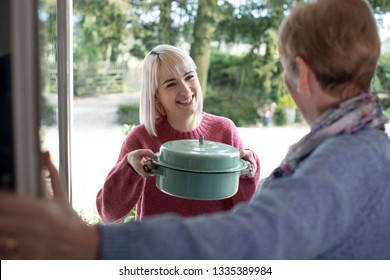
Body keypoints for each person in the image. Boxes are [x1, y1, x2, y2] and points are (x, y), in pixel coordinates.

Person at [0, 0, 389, 260]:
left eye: (285, 65)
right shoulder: (364, 147)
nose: (185, 90)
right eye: (171, 84)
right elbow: (111, 210)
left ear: (301, 74)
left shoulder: (341, 159)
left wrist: (86, 243)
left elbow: (257, 233)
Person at [96, 44, 260, 223]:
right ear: (156, 96)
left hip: (215, 248)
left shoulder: (224, 130)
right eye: (171, 84)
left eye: (189, 77)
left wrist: (249, 171)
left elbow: (247, 207)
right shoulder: (141, 140)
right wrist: (129, 168)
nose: (185, 89)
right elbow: (109, 214)